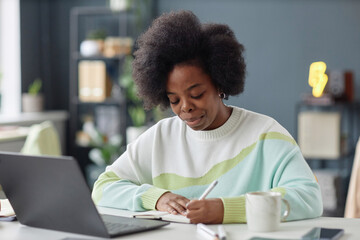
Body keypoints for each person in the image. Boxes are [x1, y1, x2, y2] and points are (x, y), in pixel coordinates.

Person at [92, 10, 323, 224]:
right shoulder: (160, 138)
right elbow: (102, 188)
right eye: (174, 100)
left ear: (220, 83)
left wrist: (226, 209)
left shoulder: (266, 135)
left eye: (196, 94)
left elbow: (309, 197)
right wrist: (155, 197)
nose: (185, 107)